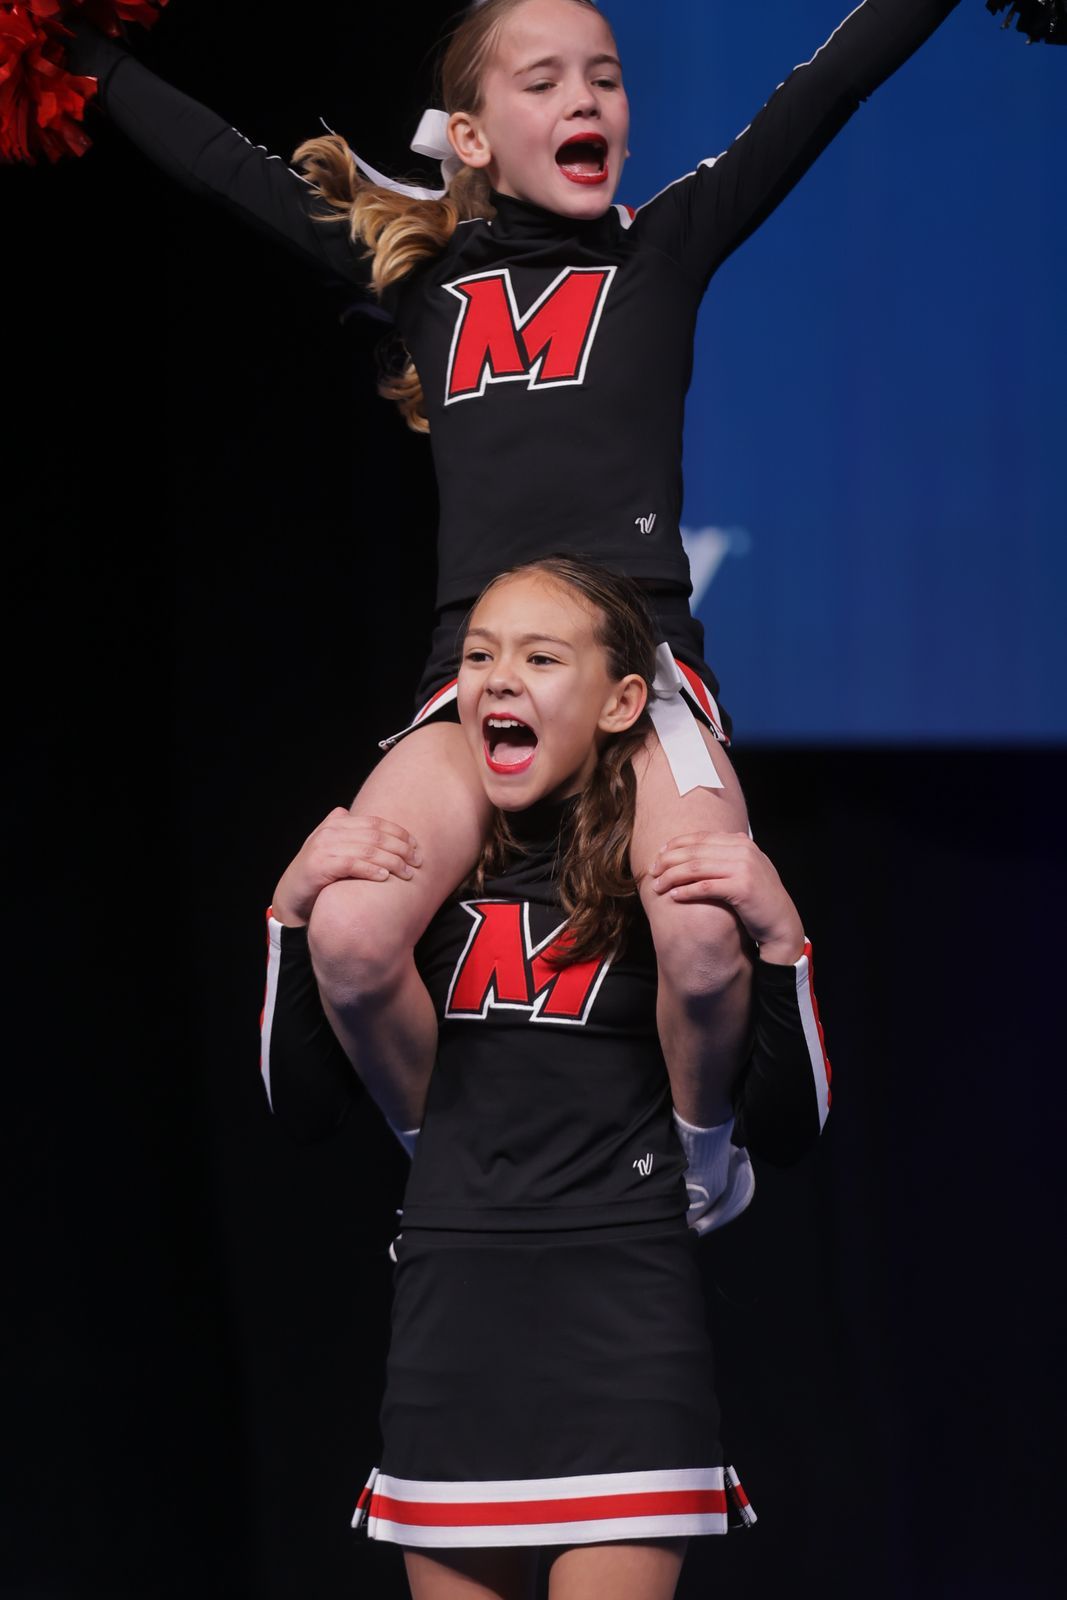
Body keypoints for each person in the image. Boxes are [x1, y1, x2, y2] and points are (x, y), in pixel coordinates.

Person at [64, 0, 962, 1172]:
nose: (584, 99)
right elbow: (224, 167)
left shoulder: (662, 247)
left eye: (604, 77)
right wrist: (71, 54)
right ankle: (447, 1174)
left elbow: (824, 84)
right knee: (350, 927)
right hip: (469, 685)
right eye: (542, 83)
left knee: (698, 931)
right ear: (473, 136)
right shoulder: (430, 277)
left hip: (642, 684)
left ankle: (700, 1163)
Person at [261, 556, 832, 1600]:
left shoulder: (662, 872)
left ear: (622, 701)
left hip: (620, 1319)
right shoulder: (420, 873)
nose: (498, 678)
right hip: (452, 1321)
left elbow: (787, 1132)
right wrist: (290, 916)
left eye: (538, 656)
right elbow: (299, 1106)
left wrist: (782, 937)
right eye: (478, 654)